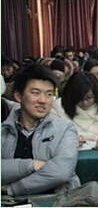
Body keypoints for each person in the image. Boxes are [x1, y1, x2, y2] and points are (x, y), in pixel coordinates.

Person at [1, 65, 80, 196]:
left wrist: (11, 188)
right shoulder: (3, 130)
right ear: (19, 96)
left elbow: (61, 173)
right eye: (35, 93)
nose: (43, 100)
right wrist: (31, 165)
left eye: (49, 94)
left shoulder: (65, 129)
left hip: (57, 200)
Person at [51, 72, 98, 148]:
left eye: (89, 98)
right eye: (80, 98)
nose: (85, 102)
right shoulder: (58, 107)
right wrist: (68, 139)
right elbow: (52, 134)